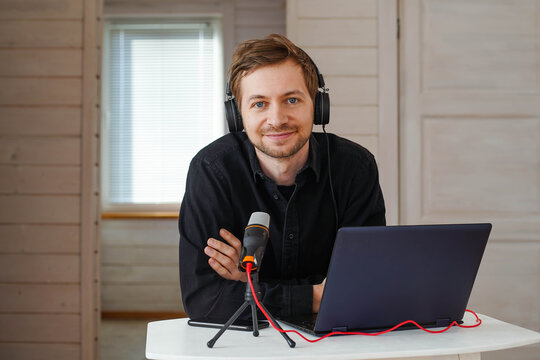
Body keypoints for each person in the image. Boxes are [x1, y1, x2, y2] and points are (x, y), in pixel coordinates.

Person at [179, 34, 385, 323]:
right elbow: (205, 301)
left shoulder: (355, 167)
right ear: (237, 115)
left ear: (318, 105)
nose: (277, 119)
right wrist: (316, 296)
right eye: (259, 104)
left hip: (337, 344)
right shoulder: (212, 170)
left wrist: (251, 285)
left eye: (291, 99)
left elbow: (365, 289)